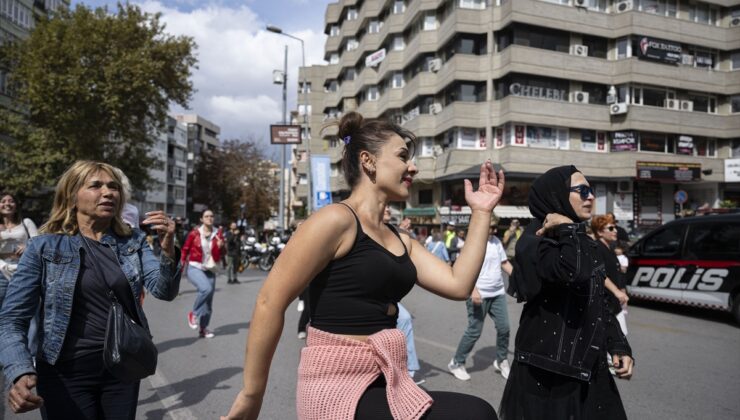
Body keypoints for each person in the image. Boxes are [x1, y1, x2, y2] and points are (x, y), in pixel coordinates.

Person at [222, 111, 505, 420]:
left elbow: (458, 284)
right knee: (475, 414)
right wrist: (252, 394)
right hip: (337, 389)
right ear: (368, 161)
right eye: (402, 156)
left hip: (387, 379)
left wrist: (481, 211)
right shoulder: (335, 220)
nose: (413, 167)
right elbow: (268, 302)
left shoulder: (402, 239)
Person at [0, 160, 181, 419]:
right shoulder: (44, 247)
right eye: (95, 186)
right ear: (72, 196)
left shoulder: (133, 241)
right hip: (64, 372)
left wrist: (167, 251)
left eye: (113, 187)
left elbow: (164, 290)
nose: (108, 192)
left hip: (123, 364)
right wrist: (19, 370)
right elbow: (11, 319)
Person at [501, 165, 633, 420]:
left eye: (591, 190)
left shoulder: (580, 241)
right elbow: (574, 273)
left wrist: (618, 344)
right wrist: (567, 228)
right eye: (582, 190)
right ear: (555, 195)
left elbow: (597, 302)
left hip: (587, 369)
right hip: (548, 376)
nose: (591, 197)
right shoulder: (536, 241)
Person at [448, 225, 513, 381]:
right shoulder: (471, 244)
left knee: (504, 328)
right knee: (474, 331)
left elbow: (504, 263)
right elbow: (461, 270)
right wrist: (473, 289)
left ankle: (501, 360)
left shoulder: (496, 241)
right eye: (491, 227)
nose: (494, 230)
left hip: (497, 292)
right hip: (479, 293)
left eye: (495, 227)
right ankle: (456, 363)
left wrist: (519, 278)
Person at [0, 193, 40, 355]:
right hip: (1, 270)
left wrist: (28, 246)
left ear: (16, 205)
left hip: (24, 270)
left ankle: (29, 354)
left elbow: (38, 242)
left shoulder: (26, 223)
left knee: (30, 312)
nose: (7, 204)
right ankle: (6, 352)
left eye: (11, 201)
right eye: (3, 201)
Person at [182, 209, 225, 339]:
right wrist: (180, 267)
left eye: (212, 216)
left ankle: (203, 328)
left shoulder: (218, 234)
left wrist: (220, 246)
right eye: (206, 216)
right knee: (206, 289)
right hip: (195, 268)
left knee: (208, 303)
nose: (210, 218)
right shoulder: (194, 234)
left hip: (210, 269)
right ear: (201, 219)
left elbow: (218, 256)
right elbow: (185, 250)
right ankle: (193, 314)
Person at [592, 214, 629, 337]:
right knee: (615, 342)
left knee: (621, 337)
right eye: (611, 228)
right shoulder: (597, 248)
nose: (616, 231)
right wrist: (617, 292)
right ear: (600, 232)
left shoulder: (610, 248)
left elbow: (616, 273)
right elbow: (599, 273)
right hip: (605, 304)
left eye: (615, 227)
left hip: (614, 304)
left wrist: (621, 290)